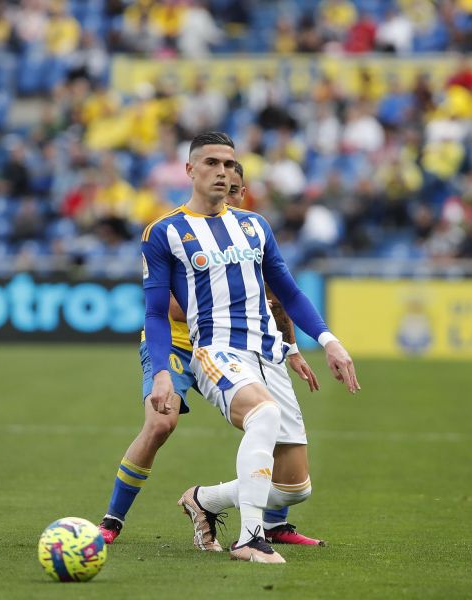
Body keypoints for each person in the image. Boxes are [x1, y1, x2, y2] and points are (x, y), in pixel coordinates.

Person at [142, 132, 359, 564]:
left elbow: (290, 293)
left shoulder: (254, 225)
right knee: (263, 413)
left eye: (228, 163)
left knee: (295, 488)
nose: (221, 172)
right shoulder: (166, 232)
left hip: (268, 355)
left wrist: (329, 342)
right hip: (216, 351)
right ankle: (250, 538)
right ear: (189, 170)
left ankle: (204, 500)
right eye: (210, 163)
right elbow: (153, 312)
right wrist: (163, 371)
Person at [98, 162, 325, 547]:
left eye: (238, 191)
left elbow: (276, 299)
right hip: (178, 344)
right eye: (228, 189)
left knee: (269, 417)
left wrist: (290, 348)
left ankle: (272, 524)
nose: (232, 198)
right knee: (160, 424)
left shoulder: (248, 232)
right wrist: (229, 295)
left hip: (236, 344)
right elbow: (168, 308)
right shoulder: (177, 234)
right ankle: (112, 520)